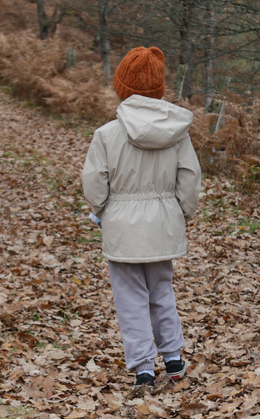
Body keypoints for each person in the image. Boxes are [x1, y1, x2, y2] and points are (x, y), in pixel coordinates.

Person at [82, 46, 201, 391]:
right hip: (162, 225)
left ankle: (144, 369)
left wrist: (102, 211)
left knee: (130, 299)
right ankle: (174, 359)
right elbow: (189, 178)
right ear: (159, 89)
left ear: (122, 87)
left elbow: (94, 183)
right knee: (161, 290)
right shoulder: (177, 133)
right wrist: (182, 213)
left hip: (122, 229)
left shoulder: (107, 134)